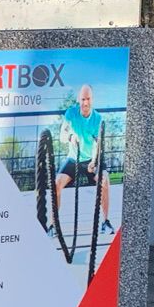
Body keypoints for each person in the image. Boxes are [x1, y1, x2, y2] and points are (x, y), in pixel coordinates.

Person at [51, 83, 113, 236]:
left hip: (92, 159)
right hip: (73, 159)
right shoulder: (70, 114)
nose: (85, 103)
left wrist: (93, 162)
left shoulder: (98, 118)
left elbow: (97, 144)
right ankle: (53, 225)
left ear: (92, 99)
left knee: (105, 181)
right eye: (83, 99)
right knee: (56, 184)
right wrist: (71, 137)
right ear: (79, 100)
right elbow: (62, 136)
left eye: (88, 99)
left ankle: (105, 222)